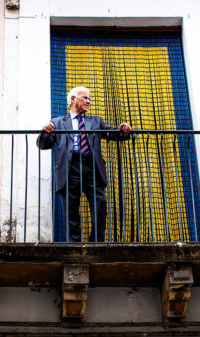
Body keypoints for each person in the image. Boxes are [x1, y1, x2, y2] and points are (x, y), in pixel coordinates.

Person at [37, 86, 132, 242]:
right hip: (69, 168)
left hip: (92, 168)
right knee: (71, 210)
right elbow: (43, 145)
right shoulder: (58, 122)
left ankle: (96, 244)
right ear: (73, 99)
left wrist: (124, 131)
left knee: (99, 207)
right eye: (85, 98)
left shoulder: (96, 121)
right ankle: (74, 246)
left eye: (89, 99)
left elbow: (112, 133)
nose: (89, 101)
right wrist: (45, 133)